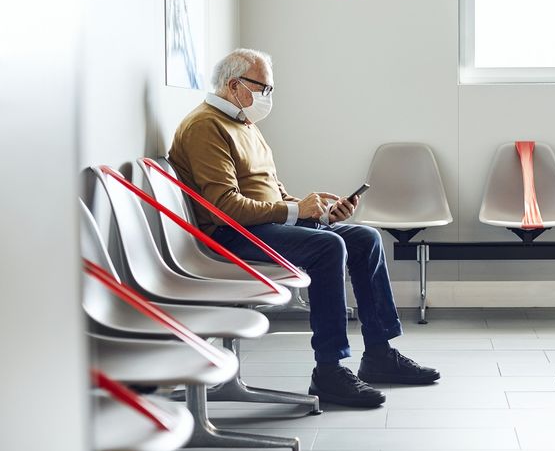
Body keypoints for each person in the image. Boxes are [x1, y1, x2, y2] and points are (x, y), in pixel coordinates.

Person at [169, 48, 439, 408]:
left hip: (262, 227)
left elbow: (273, 194)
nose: (268, 97)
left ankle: (378, 353)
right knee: (329, 249)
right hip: (231, 237)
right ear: (234, 85)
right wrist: (297, 210)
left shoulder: (245, 125)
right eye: (262, 88)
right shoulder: (206, 126)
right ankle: (328, 371)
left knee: (364, 238)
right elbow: (224, 208)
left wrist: (319, 215)